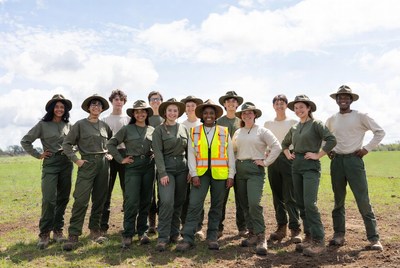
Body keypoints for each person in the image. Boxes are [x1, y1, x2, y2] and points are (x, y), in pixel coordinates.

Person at [326, 85, 385, 251]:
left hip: (354, 160)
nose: (343, 100)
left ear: (351, 100)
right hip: (337, 162)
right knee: (338, 200)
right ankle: (338, 235)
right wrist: (328, 149)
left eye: (346, 97)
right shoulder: (331, 119)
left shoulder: (360, 116)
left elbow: (379, 132)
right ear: (336, 100)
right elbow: (324, 137)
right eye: (340, 97)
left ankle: (374, 239)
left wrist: (366, 149)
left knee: (363, 200)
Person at [176, 99, 235, 252]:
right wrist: (193, 173)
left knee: (217, 206)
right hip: (200, 175)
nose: (208, 115)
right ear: (202, 115)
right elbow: (191, 154)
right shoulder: (194, 131)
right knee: (194, 205)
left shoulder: (224, 131)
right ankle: (188, 237)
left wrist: (231, 175)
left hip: (220, 175)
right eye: (206, 113)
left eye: (212, 113)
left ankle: (212, 237)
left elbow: (230, 155)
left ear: (216, 116)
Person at [281, 95, 336, 256]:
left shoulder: (316, 124)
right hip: (296, 166)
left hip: (310, 166)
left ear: (309, 108)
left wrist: (318, 155)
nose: (298, 110)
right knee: (301, 204)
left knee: (310, 203)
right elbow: (284, 144)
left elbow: (331, 140)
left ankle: (319, 241)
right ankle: (309, 237)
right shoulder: (294, 127)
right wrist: (287, 154)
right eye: (296, 108)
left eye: (301, 107)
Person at [20, 94, 73, 249]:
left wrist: (73, 150)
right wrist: (38, 155)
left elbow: (75, 141)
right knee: (49, 199)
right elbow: (25, 140)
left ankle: (58, 231)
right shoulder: (43, 125)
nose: (59, 109)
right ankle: (44, 234)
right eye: (56, 107)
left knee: (63, 198)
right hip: (50, 164)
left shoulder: (69, 125)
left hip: (66, 164)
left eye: (62, 107)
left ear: (65, 110)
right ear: (51, 109)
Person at [62, 94, 113, 251]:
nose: (96, 106)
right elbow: (67, 144)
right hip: (87, 163)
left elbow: (111, 141)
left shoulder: (105, 126)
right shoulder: (79, 125)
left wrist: (108, 153)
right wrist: (76, 160)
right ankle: (74, 234)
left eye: (99, 105)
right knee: (81, 199)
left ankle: (95, 231)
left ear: (102, 108)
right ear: (88, 108)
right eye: (93, 104)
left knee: (100, 199)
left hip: (104, 165)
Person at [233, 102, 281, 255]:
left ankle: (261, 237)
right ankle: (252, 233)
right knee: (244, 203)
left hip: (255, 170)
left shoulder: (262, 131)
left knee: (254, 203)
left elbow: (277, 147)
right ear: (241, 116)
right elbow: (233, 151)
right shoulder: (238, 132)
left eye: (250, 113)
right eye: (244, 113)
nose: (247, 115)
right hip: (240, 170)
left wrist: (265, 162)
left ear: (255, 115)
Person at [107, 100, 155, 248]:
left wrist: (153, 153)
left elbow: (158, 146)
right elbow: (111, 144)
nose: (140, 114)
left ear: (147, 113)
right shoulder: (127, 129)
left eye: (143, 111)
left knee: (146, 200)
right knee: (131, 201)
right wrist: (121, 159)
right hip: (133, 167)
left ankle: (142, 232)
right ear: (133, 114)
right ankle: (128, 234)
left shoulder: (152, 130)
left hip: (148, 166)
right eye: (137, 112)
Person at [152, 98, 189, 251]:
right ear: (165, 113)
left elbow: (189, 151)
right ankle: (163, 236)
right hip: (166, 169)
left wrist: (190, 171)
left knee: (179, 201)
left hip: (182, 168)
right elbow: (157, 152)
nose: (173, 113)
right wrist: (162, 173)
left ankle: (175, 233)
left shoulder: (183, 128)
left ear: (178, 113)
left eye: (175, 110)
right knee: (166, 201)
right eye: (170, 110)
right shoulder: (159, 130)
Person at [264, 94, 301, 243]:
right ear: (273, 106)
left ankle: (295, 229)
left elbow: (298, 140)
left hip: (288, 158)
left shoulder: (293, 122)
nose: (279, 106)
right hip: (273, 159)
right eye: (277, 103)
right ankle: (281, 227)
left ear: (286, 105)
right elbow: (264, 142)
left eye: (282, 103)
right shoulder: (267, 124)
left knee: (290, 195)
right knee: (277, 195)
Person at [217, 91, 247, 237]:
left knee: (241, 198)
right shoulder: (218, 122)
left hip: (240, 163)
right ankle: (218, 227)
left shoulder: (242, 121)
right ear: (224, 104)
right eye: (228, 101)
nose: (231, 104)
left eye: (234, 102)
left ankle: (242, 226)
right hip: (223, 164)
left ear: (237, 104)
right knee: (221, 197)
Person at [101, 89, 130, 234]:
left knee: (128, 191)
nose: (118, 102)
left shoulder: (129, 119)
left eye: (121, 99)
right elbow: (103, 139)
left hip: (125, 154)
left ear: (124, 102)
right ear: (111, 101)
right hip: (109, 155)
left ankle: (128, 225)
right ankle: (103, 226)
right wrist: (107, 152)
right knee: (106, 191)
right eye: (116, 99)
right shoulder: (105, 119)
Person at [179, 95, 205, 238]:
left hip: (200, 164)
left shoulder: (201, 125)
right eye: (187, 106)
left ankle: (198, 226)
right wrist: (188, 168)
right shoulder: (181, 125)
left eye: (192, 106)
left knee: (198, 196)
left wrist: (194, 169)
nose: (190, 108)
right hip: (183, 164)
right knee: (185, 197)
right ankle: (184, 224)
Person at [147, 90, 164, 234]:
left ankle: (163, 222)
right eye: (153, 99)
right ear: (149, 102)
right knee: (150, 192)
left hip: (164, 160)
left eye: (158, 99)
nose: (155, 101)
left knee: (163, 192)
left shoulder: (166, 117)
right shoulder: (146, 118)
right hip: (149, 160)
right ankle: (151, 223)